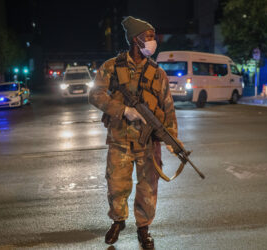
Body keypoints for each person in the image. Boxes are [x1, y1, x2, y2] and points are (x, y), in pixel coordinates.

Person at [89, 16, 177, 249]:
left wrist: (172, 140)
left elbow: (168, 108)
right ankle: (118, 221)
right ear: (136, 40)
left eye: (154, 37)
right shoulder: (111, 67)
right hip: (119, 140)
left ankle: (144, 228)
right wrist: (123, 110)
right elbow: (95, 95)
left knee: (148, 187)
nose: (153, 41)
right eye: (149, 37)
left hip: (149, 143)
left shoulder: (158, 74)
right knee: (117, 185)